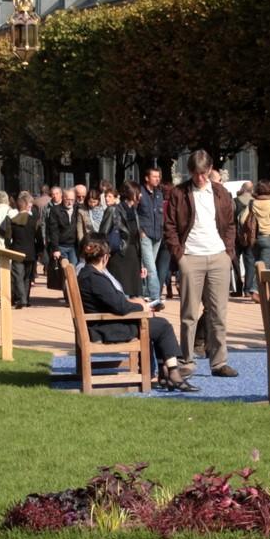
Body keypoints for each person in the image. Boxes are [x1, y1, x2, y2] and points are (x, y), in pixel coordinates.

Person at [75, 235, 197, 391]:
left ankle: (164, 372)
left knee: (158, 325)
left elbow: (115, 302)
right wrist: (142, 308)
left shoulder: (89, 274)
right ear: (105, 257)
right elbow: (119, 306)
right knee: (163, 326)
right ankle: (172, 373)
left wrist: (138, 303)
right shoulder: (94, 278)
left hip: (101, 324)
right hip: (104, 328)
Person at [164, 149, 240, 379]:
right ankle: (187, 359)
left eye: (204, 173)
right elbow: (170, 227)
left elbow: (230, 225)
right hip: (191, 257)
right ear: (190, 171)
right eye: (196, 174)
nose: (200, 178)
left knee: (218, 313)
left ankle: (219, 362)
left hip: (218, 256)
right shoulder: (179, 193)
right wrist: (180, 257)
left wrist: (228, 253)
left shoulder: (221, 193)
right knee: (189, 313)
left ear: (210, 170)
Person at [242, 180, 270, 300]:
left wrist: (250, 228)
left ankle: (266, 294)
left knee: (258, 265)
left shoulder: (252, 203)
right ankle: (255, 291)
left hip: (254, 239)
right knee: (266, 267)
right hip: (268, 239)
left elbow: (242, 219)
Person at [0, 191, 41, 308]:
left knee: (18, 276)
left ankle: (22, 299)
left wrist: (9, 248)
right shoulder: (34, 221)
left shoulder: (12, 220)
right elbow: (39, 239)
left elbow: (7, 238)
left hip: (17, 251)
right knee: (27, 277)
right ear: (27, 206)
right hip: (31, 252)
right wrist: (39, 250)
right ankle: (25, 298)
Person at [105, 181, 146, 296]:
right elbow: (103, 235)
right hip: (119, 256)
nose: (140, 195)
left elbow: (136, 238)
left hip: (133, 256)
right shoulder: (113, 210)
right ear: (131, 193)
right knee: (121, 293)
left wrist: (141, 264)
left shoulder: (134, 211)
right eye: (138, 192)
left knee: (135, 294)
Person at [137, 166, 169, 304]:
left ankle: (145, 293)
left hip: (157, 234)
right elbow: (135, 213)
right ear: (147, 178)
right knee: (151, 267)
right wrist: (140, 231)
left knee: (147, 266)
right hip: (145, 234)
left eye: (158, 176)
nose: (157, 179)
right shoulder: (140, 192)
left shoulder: (158, 193)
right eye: (154, 176)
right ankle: (155, 296)